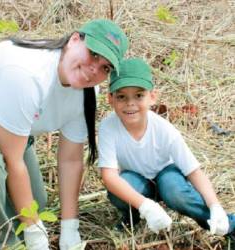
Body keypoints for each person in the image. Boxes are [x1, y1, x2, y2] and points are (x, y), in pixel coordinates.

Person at [0, 19, 128, 249]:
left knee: (35, 204)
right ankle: (0, 242)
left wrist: (70, 226)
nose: (94, 69)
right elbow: (13, 160)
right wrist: (35, 233)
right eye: (93, 54)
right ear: (74, 40)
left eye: (105, 67)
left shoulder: (87, 92)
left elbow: (70, 160)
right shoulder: (28, 75)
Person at [98, 58, 235, 239]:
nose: (130, 103)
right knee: (120, 190)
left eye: (139, 95)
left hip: (166, 175)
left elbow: (194, 171)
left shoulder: (164, 129)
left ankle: (228, 224)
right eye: (121, 96)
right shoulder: (108, 127)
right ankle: (134, 215)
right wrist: (145, 206)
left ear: (152, 97)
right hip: (137, 181)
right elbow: (109, 177)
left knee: (175, 191)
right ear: (110, 99)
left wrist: (215, 205)